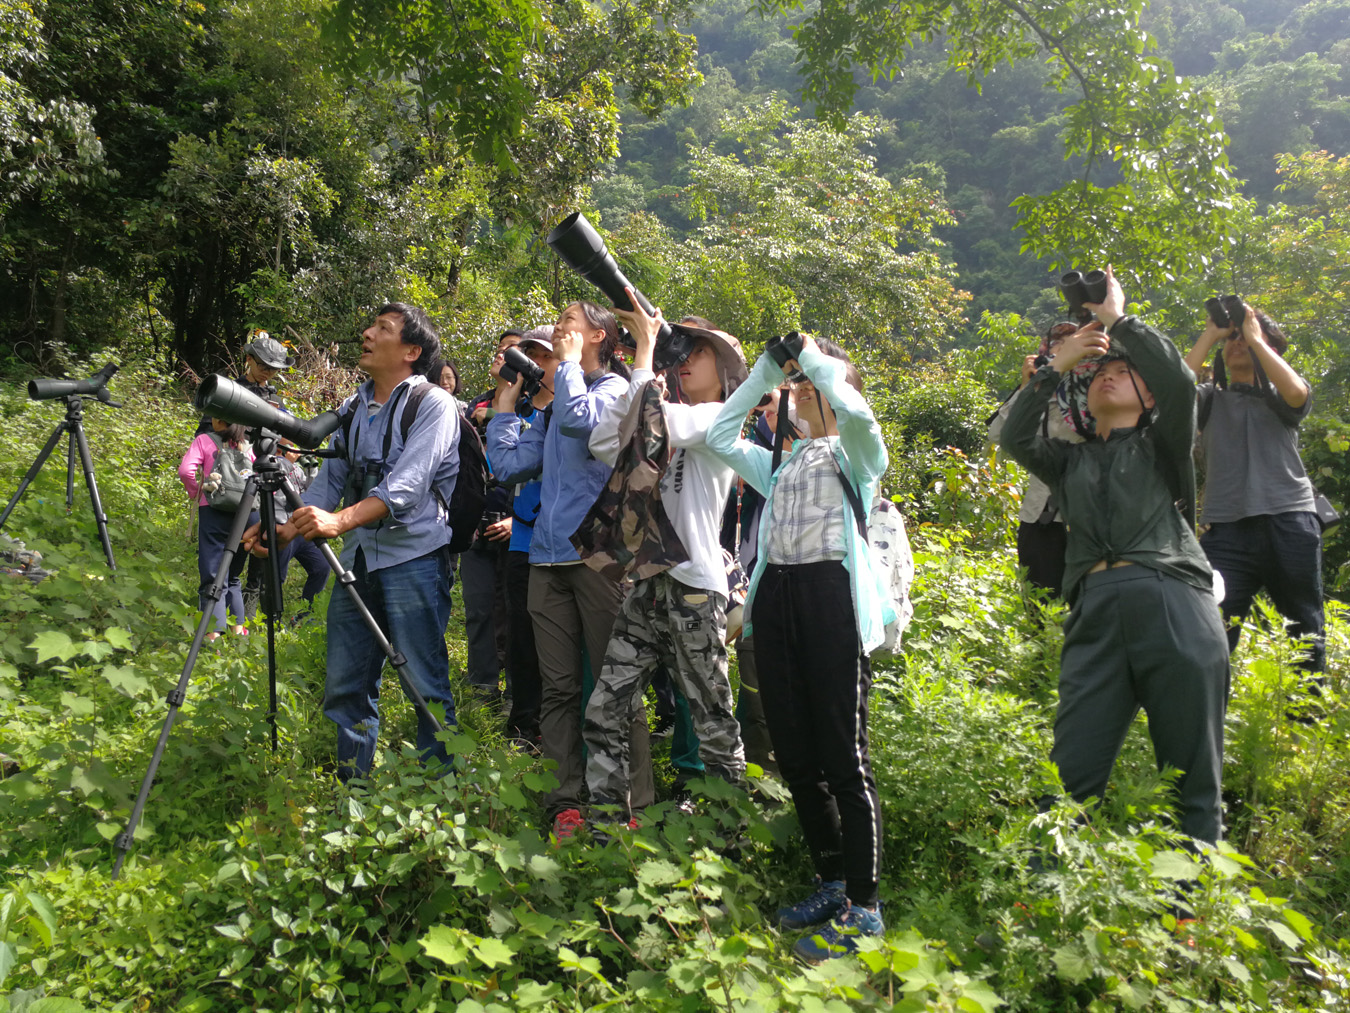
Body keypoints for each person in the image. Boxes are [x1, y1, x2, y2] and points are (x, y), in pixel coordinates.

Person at [1000, 267, 1230, 851]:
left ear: (1148, 397)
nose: (1109, 377)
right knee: (1070, 772)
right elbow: (1013, 439)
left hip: (1172, 597)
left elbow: (1180, 382)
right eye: (1101, 370)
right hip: (1095, 613)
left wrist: (1116, 318)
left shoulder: (1163, 446)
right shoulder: (1068, 462)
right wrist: (1058, 364)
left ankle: (1190, 918)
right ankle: (1042, 904)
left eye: (1125, 371)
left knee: (1190, 772)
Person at [708, 332, 891, 962]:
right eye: (802, 381)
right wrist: (764, 372)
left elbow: (861, 416)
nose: (806, 387)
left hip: (830, 598)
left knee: (843, 753)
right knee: (794, 750)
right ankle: (832, 881)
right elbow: (718, 436)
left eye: (819, 382)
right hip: (778, 601)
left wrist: (816, 360)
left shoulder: (857, 455)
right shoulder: (782, 462)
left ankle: (865, 906)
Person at [244, 303, 461, 781]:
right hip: (359, 560)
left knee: (424, 683)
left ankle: (444, 798)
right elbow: (331, 478)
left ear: (411, 351)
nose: (366, 333)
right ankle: (353, 791)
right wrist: (285, 528)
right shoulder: (355, 405)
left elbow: (407, 485)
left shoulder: (434, 404)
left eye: (381, 328)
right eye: (370, 324)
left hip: (416, 560)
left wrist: (339, 521)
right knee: (348, 683)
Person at [486, 302, 652, 839]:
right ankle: (565, 801)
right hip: (547, 559)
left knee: (615, 684)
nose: (558, 331)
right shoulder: (559, 400)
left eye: (569, 325)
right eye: (558, 325)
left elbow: (586, 425)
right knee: (558, 689)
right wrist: (509, 408)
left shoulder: (613, 391)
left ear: (598, 337)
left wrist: (570, 371)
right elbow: (509, 466)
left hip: (597, 559)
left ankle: (632, 804)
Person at [581, 298, 749, 823]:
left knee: (712, 719)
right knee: (605, 708)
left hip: (696, 587)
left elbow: (654, 425)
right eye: (686, 350)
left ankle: (730, 836)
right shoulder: (668, 409)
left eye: (700, 352)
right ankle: (607, 826)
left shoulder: (719, 418)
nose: (687, 359)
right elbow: (606, 439)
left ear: (726, 372)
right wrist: (641, 362)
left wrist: (647, 351)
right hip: (650, 583)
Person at [1184, 305, 1325, 677]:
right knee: (1210, 629)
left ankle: (1306, 725)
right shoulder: (1208, 397)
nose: (1238, 344)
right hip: (1225, 529)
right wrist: (1211, 333)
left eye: (1242, 337)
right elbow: (1171, 392)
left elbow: (1296, 393)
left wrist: (1256, 338)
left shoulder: (1279, 392)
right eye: (1232, 340)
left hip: (1289, 519)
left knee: (1304, 630)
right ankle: (1210, 723)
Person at [986, 321, 1083, 599]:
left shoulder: (1092, 395)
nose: (1058, 353)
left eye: (1068, 346)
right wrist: (1027, 388)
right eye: (1054, 347)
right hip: (1038, 517)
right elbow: (997, 435)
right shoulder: (1036, 394)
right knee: (1039, 605)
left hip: (1083, 517)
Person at [501, 328, 559, 750]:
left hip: (562, 544)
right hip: (523, 539)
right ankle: (524, 722)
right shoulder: (520, 411)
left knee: (556, 644)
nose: (535, 365)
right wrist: (506, 399)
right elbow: (499, 467)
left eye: (544, 356)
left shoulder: (573, 411)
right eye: (528, 356)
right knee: (521, 637)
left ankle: (555, 725)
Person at [460, 333, 522, 702]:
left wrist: (516, 521)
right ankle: (483, 686)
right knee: (478, 608)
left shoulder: (535, 407)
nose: (503, 355)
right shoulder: (474, 405)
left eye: (514, 350)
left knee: (517, 615)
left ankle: (517, 691)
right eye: (500, 349)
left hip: (520, 525)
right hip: (476, 521)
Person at [178, 418, 256, 639]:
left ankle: (213, 635)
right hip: (246, 513)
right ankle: (238, 631)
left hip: (214, 510)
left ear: (218, 419)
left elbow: (185, 471)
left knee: (213, 575)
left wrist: (197, 491)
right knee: (233, 575)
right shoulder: (248, 445)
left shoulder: (204, 440)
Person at [195, 331, 293, 435]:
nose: (267, 372)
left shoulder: (275, 401)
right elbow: (203, 434)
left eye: (273, 369)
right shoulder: (229, 392)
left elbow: (286, 438)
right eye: (263, 366)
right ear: (249, 359)